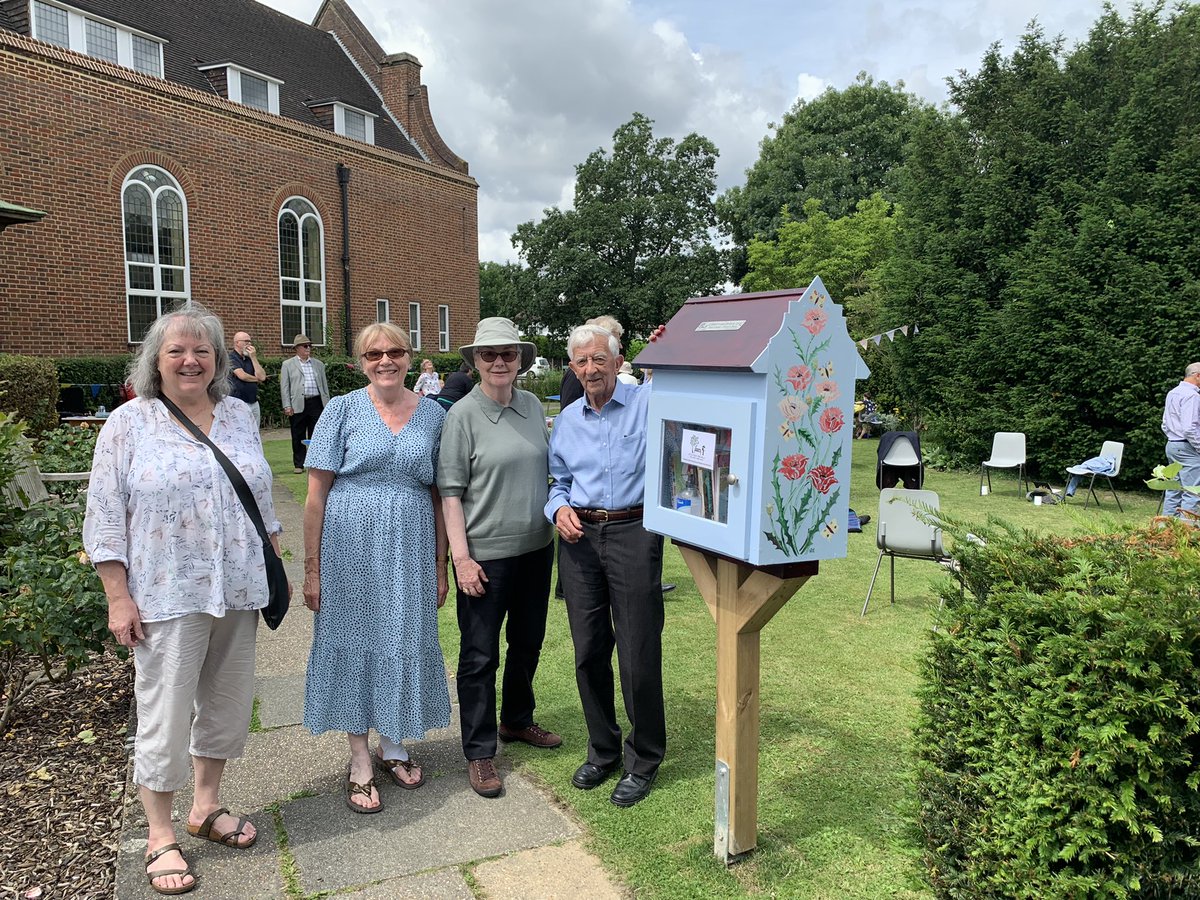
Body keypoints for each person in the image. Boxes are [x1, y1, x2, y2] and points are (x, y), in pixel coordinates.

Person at [84, 305, 283, 895]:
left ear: (220, 361)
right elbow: (104, 519)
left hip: (238, 589)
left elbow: (264, 501)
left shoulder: (241, 419)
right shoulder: (128, 424)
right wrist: (118, 598)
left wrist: (272, 551)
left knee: (225, 703)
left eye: (203, 351)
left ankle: (205, 807)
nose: (191, 360)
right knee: (165, 713)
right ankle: (160, 834)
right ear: (156, 361)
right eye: (177, 351)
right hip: (166, 592)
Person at [301, 322, 451, 813]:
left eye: (395, 352)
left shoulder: (434, 414)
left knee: (402, 638)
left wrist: (441, 563)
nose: (385, 360)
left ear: (411, 357)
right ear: (360, 361)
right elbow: (315, 497)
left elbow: (440, 494)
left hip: (411, 547)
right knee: (352, 642)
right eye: (374, 353)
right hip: (348, 548)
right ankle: (360, 756)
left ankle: (394, 741)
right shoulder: (340, 410)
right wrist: (312, 569)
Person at [438, 317, 560, 798]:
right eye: (489, 355)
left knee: (528, 642)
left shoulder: (531, 406)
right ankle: (480, 750)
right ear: (476, 362)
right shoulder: (461, 416)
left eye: (507, 353)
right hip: (484, 556)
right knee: (480, 655)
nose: (499, 362)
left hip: (536, 549)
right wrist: (461, 560)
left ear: (520, 360)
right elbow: (450, 495)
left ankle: (516, 719)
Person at [546, 322, 666, 808]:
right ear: (572, 368)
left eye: (600, 359)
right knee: (589, 648)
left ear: (619, 362)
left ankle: (644, 758)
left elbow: (687, 395)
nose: (591, 369)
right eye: (582, 361)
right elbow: (557, 480)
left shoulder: (647, 404)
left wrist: (668, 344)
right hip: (579, 540)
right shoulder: (567, 419)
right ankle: (603, 749)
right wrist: (558, 509)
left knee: (638, 648)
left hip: (633, 532)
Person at [280, 334, 330, 474]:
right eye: (305, 346)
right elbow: (285, 387)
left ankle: (315, 463)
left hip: (316, 402)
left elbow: (325, 387)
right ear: (297, 348)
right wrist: (287, 405)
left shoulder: (318, 364)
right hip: (298, 403)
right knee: (298, 434)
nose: (308, 348)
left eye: (309, 345)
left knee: (317, 434)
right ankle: (299, 464)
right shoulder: (288, 365)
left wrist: (327, 405)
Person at [1160, 362, 1200, 519]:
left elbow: (1165, 423)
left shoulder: (1173, 392)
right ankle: (1184, 535)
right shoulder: (1192, 396)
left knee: (1173, 490)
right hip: (1187, 446)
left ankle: (1163, 532)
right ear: (1197, 376)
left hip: (1172, 445)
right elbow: (1190, 428)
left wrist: (1173, 438)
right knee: (1192, 492)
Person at [228, 331, 267, 427]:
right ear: (237, 343)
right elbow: (242, 376)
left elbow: (262, 376)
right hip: (238, 402)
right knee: (240, 430)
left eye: (250, 342)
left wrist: (253, 358)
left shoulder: (249, 359)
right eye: (246, 341)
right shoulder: (231, 358)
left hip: (253, 401)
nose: (249, 344)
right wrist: (257, 379)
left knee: (255, 433)